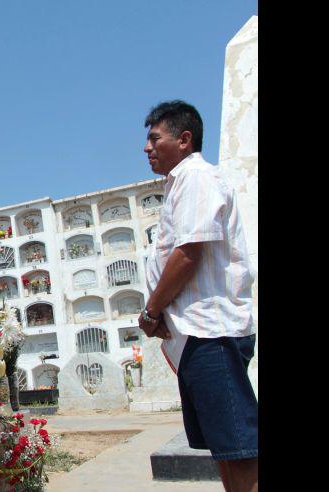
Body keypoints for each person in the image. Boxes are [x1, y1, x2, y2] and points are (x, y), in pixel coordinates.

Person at [137, 100, 257, 491]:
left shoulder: (197, 178)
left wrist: (152, 311)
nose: (147, 148)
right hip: (197, 336)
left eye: (155, 138)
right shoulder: (179, 184)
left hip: (211, 332)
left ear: (184, 139)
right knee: (226, 449)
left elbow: (189, 253)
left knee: (240, 449)